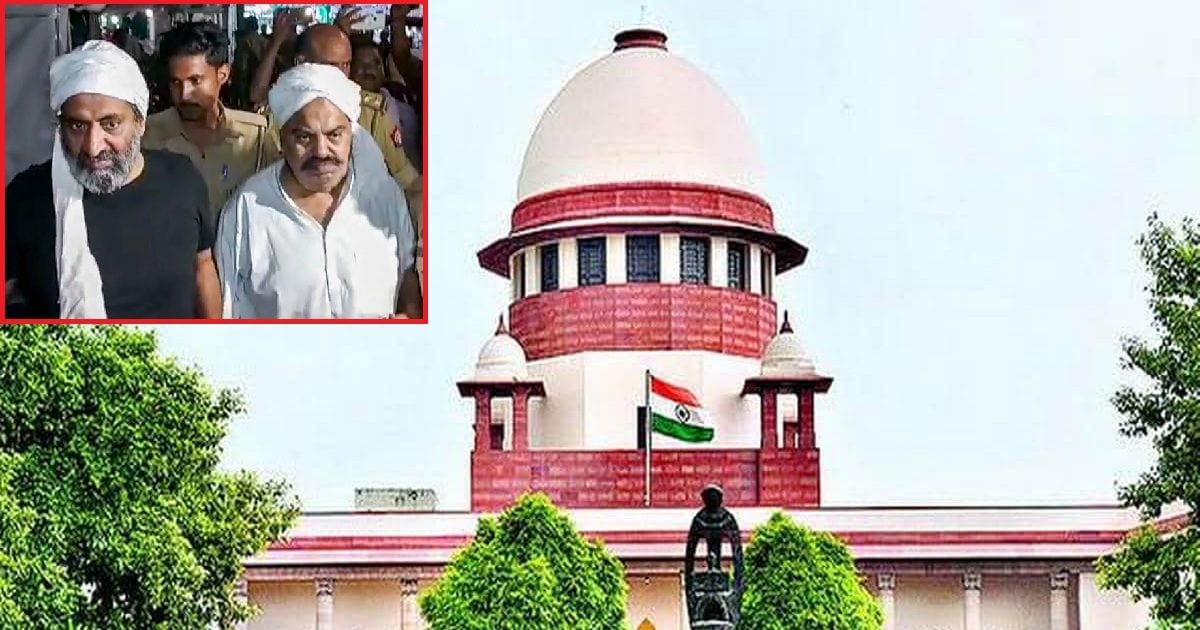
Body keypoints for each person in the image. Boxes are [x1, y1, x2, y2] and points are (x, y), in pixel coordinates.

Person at [5, 41, 220, 319]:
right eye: (77, 126)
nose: (93, 147)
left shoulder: (182, 178)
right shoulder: (27, 197)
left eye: (111, 124)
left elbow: (203, 265)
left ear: (140, 123)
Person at [215, 64, 421, 319]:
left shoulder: (384, 196)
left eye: (334, 135)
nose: (321, 151)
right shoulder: (247, 210)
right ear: (281, 139)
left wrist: (408, 317)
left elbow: (408, 278)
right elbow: (227, 310)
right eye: (304, 137)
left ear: (351, 134)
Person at [250, 15, 423, 241]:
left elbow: (409, 183)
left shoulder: (371, 116)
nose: (341, 74)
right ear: (302, 63)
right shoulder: (277, 118)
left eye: (346, 64)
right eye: (332, 66)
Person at [143, 22, 280, 221]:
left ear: (223, 74)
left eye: (195, 81)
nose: (184, 94)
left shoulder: (256, 137)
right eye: (176, 82)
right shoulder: (148, 137)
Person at [350, 36, 421, 174]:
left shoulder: (405, 113)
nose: (369, 69)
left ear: (384, 70)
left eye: (376, 63)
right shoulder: (342, 109)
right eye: (360, 64)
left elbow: (411, 164)